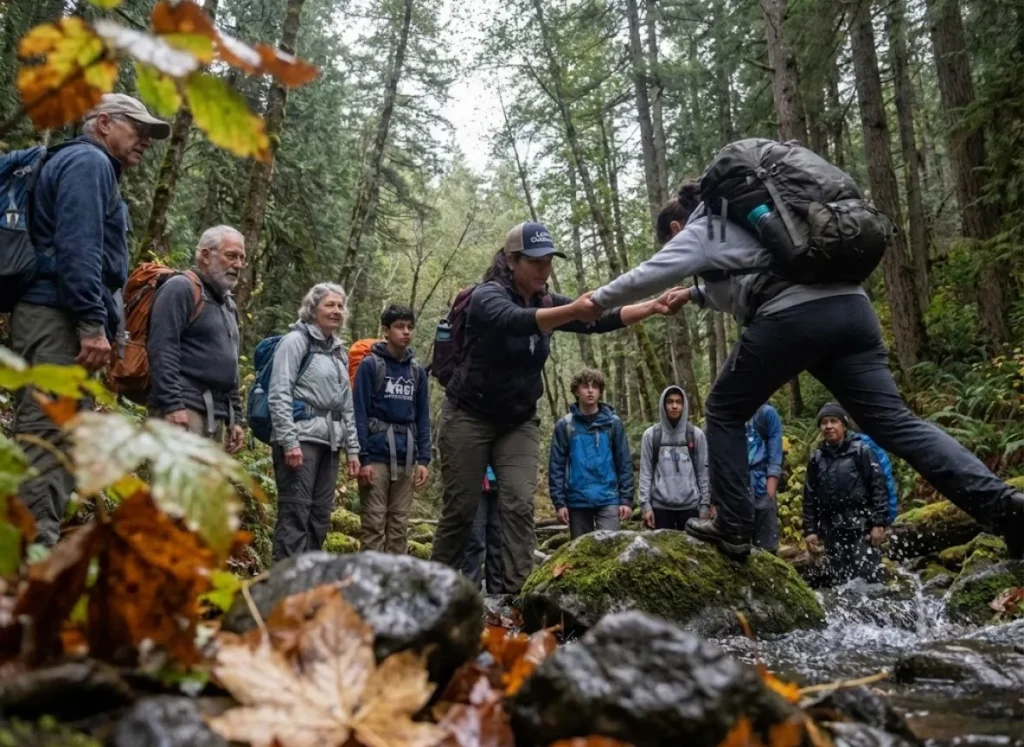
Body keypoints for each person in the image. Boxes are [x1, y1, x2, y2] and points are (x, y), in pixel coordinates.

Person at [584, 181, 1024, 558]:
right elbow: (742, 281)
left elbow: (650, 274)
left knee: (723, 409)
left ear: (675, 229)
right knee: (897, 425)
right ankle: (1005, 510)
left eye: (671, 241)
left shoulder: (702, 227)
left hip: (794, 316)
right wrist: (695, 296)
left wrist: (595, 302)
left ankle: (734, 528)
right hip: (852, 309)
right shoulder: (757, 218)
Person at [430, 221, 676, 593]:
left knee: (518, 504)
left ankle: (515, 596)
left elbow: (599, 320)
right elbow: (515, 321)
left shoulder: (546, 300)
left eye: (548, 261)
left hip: (518, 421)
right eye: (536, 262)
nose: (545, 270)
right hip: (469, 415)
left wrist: (650, 307)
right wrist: (573, 310)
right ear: (512, 261)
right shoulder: (486, 297)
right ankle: (434, 590)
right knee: (461, 511)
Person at [11, 93, 169, 545]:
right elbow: (80, 249)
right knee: (47, 441)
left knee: (56, 442)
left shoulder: (85, 164)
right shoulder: (88, 163)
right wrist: (91, 324)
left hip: (54, 317)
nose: (144, 140)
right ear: (102, 123)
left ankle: (33, 561)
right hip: (57, 320)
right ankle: (26, 572)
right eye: (136, 128)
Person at [268, 283, 361, 561]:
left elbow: (346, 404)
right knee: (295, 513)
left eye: (340, 306)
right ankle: (283, 588)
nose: (336, 311)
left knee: (319, 517)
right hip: (300, 440)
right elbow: (279, 391)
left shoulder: (338, 352)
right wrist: (289, 440)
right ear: (313, 309)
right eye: (329, 305)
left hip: (330, 443)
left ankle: (308, 587)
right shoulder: (296, 341)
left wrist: (353, 449)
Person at [147, 226, 246, 451]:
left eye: (241, 258)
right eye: (231, 256)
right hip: (183, 409)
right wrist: (172, 404)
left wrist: (236, 419)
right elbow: (162, 348)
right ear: (205, 255)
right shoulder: (180, 288)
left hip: (216, 414)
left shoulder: (228, 304)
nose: (238, 265)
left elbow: (230, 367)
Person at [353, 304, 430, 554]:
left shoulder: (417, 371)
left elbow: (422, 417)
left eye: (409, 327)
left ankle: (394, 584)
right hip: (375, 454)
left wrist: (424, 460)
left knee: (399, 525)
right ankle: (370, 584)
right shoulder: (369, 366)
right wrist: (361, 457)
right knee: (374, 523)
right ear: (386, 331)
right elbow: (359, 413)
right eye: (399, 327)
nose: (406, 332)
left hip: (406, 455)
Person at [804, 402, 889, 584]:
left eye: (833, 421)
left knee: (870, 581)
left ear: (843, 425)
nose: (828, 426)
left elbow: (878, 486)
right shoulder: (816, 459)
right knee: (840, 584)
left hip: (862, 528)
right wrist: (810, 530)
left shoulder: (861, 451)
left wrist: (879, 523)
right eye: (824, 422)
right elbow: (810, 496)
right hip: (832, 531)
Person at [548, 368, 633, 539]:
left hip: (608, 497)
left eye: (595, 387)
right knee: (580, 554)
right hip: (577, 499)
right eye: (585, 386)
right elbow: (556, 466)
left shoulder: (613, 424)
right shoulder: (565, 426)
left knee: (611, 551)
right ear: (576, 391)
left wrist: (626, 500)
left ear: (600, 391)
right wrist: (560, 503)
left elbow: (623, 462)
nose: (590, 390)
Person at [638, 385, 710, 530]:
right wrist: (645, 506)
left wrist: (705, 506)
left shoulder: (696, 435)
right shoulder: (651, 435)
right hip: (660, 507)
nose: (675, 406)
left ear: (684, 405)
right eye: (670, 402)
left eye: (678, 402)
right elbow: (645, 472)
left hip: (691, 507)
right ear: (663, 406)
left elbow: (703, 472)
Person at [458, 465, 502, 593]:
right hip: (474, 483)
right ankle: (470, 593)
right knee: (475, 539)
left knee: (498, 540)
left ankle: (498, 593)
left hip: (503, 483)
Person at [746, 403, 784, 552]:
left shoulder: (766, 413)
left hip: (762, 480)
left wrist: (772, 481)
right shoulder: (732, 412)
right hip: (739, 483)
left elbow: (775, 447)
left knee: (767, 543)